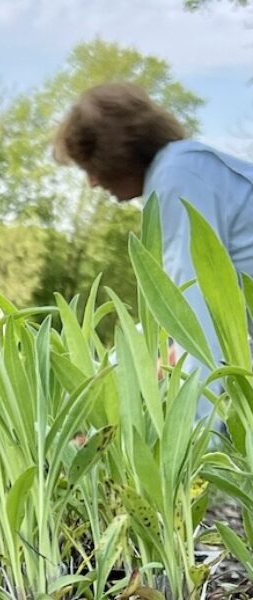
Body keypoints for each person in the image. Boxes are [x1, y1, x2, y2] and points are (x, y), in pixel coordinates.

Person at [54, 81, 253, 419]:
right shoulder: (184, 168)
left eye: (90, 166)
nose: (91, 183)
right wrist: (97, 388)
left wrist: (197, 448)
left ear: (116, 151)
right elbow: (169, 316)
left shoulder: (178, 177)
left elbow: (195, 325)